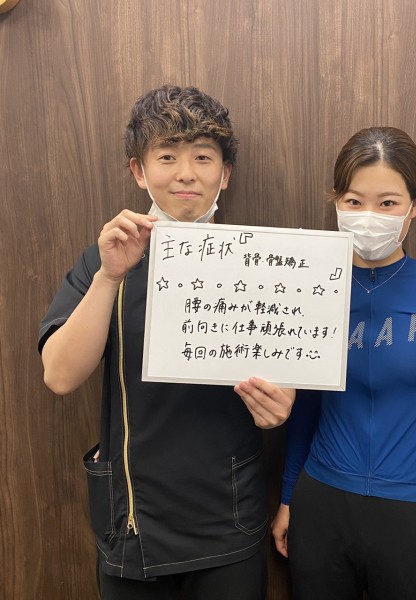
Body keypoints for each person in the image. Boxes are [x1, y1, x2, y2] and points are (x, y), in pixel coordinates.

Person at [38, 85, 295, 600]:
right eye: (167, 156)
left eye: (203, 157)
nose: (185, 173)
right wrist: (110, 276)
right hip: (134, 523)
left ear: (225, 173)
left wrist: (279, 403)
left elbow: (290, 374)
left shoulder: (262, 266)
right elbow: (60, 376)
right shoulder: (105, 260)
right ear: (139, 171)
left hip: (227, 519)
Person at [271, 127, 416, 599]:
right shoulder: (310, 286)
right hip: (320, 505)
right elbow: (306, 403)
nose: (369, 216)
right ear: (336, 201)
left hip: (411, 514)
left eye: (387, 203)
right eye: (354, 201)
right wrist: (287, 497)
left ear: (415, 204)